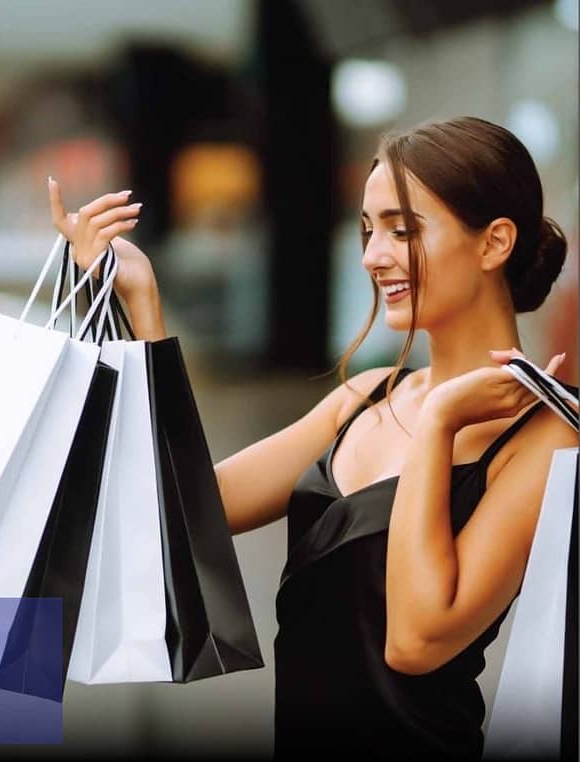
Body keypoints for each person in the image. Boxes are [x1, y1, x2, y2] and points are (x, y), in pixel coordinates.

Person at [47, 115, 578, 760]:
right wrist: (144, 308)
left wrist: (439, 423)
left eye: (401, 230)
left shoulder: (548, 437)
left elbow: (415, 642)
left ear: (494, 242)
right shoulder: (368, 395)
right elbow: (183, 509)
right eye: (367, 230)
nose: (372, 256)